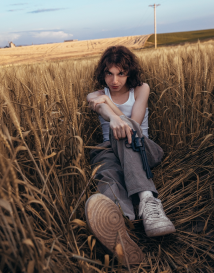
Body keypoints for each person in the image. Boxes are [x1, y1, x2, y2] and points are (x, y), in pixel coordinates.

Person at [85, 46, 175, 265]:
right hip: (110, 151)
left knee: (125, 132)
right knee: (107, 172)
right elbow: (98, 106)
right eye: (109, 73)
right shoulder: (97, 95)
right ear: (103, 73)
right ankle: (120, 225)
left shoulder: (142, 89)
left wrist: (116, 116)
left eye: (121, 73)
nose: (114, 80)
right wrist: (109, 110)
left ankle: (147, 201)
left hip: (143, 148)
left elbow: (135, 121)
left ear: (129, 73)